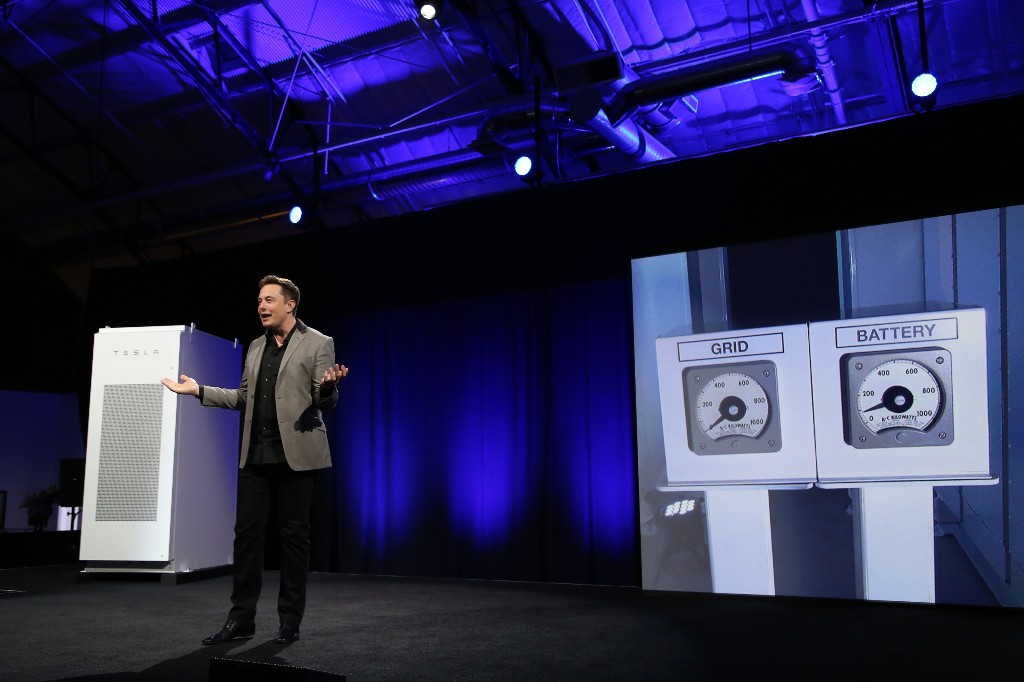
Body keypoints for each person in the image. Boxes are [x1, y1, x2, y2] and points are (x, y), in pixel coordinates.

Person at [161, 274, 348, 645]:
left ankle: (290, 620)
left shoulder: (318, 342)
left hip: (297, 454)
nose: (261, 306)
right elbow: (244, 397)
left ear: (290, 304)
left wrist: (328, 388)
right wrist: (199, 390)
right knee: (247, 536)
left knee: (294, 538)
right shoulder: (255, 346)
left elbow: (323, 399)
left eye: (269, 300)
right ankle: (241, 618)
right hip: (256, 453)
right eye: (259, 300)